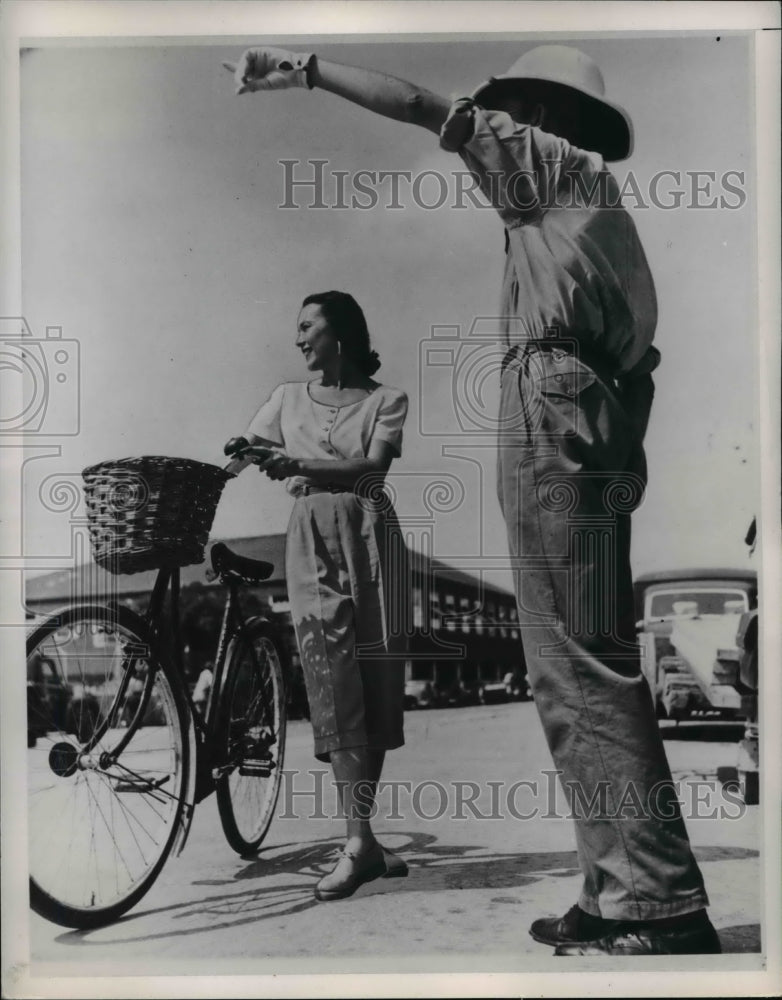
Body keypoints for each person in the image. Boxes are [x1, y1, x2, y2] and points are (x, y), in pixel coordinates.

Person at [223, 43, 720, 955]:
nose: (508, 124)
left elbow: (421, 105)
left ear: (547, 113)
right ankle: (618, 891)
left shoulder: (549, 164)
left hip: (551, 399)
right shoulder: (609, 221)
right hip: (601, 415)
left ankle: (659, 902)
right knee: (589, 655)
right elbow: (641, 370)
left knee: (573, 664)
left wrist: (307, 70)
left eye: (522, 107)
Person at [227, 290, 410, 901]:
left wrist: (296, 460)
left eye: (308, 326)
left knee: (376, 679)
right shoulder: (284, 398)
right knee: (331, 677)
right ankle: (361, 843)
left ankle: (361, 840)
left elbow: (373, 470)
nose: (299, 337)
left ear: (343, 335)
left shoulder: (387, 399)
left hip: (373, 535)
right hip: (310, 536)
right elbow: (245, 453)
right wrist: (239, 458)